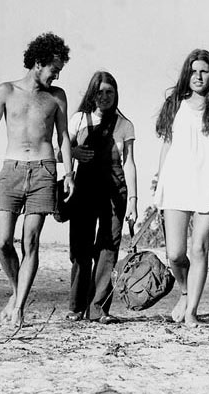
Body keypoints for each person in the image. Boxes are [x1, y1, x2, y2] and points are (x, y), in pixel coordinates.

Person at [0, 32, 75, 327]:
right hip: (12, 169)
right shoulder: (6, 90)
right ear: (37, 63)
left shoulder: (57, 97)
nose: (57, 74)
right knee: (3, 241)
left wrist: (68, 172)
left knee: (31, 240)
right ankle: (16, 290)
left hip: (45, 170)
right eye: (54, 69)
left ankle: (19, 306)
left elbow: (63, 136)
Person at [153, 49, 209, 326]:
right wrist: (159, 184)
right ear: (186, 74)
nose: (198, 76)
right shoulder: (174, 104)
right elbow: (167, 145)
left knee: (199, 248)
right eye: (193, 71)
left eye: (203, 71)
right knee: (175, 254)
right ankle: (184, 291)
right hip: (176, 181)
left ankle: (191, 311)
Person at [65, 71, 138, 324]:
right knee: (80, 250)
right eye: (100, 91)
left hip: (115, 192)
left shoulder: (124, 124)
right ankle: (76, 306)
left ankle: (99, 309)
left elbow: (129, 163)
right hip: (84, 190)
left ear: (116, 94)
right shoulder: (79, 119)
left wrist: (134, 200)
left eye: (110, 91)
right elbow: (59, 151)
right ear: (92, 93)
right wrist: (73, 152)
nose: (105, 96)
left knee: (108, 250)